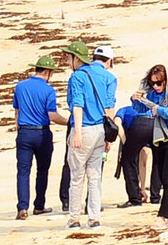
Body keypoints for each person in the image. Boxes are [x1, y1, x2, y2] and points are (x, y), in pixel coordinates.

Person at [61, 45, 118, 211]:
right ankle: (93, 213)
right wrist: (109, 137)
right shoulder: (109, 77)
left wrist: (77, 132)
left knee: (75, 173)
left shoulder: (78, 76)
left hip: (81, 126)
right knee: (95, 175)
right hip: (100, 128)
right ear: (109, 61)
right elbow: (109, 107)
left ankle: (71, 210)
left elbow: (76, 104)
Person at [13, 56, 68, 219]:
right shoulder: (49, 90)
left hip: (24, 131)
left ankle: (22, 208)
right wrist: (69, 122)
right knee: (42, 170)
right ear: (48, 72)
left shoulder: (20, 86)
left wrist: (19, 129)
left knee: (23, 171)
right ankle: (39, 205)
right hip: (41, 133)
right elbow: (52, 115)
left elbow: (17, 112)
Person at [136, 64, 168, 228]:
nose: (155, 87)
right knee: (162, 176)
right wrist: (136, 99)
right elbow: (141, 109)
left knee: (167, 178)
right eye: (152, 83)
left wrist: (160, 110)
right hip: (159, 138)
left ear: (166, 81)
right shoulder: (152, 94)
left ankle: (163, 215)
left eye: (159, 83)